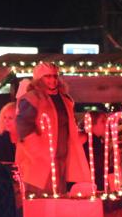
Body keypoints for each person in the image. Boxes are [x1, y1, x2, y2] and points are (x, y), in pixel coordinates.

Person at [15, 62, 90, 195]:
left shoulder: (65, 99)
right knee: (40, 200)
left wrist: (76, 138)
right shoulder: (32, 98)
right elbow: (23, 126)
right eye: (47, 76)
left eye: (55, 76)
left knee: (58, 197)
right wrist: (38, 151)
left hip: (62, 157)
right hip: (39, 161)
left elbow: (67, 124)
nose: (53, 80)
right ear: (39, 79)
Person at [82, 111, 111, 192]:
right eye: (102, 121)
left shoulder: (97, 141)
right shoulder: (91, 143)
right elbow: (98, 167)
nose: (106, 125)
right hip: (94, 186)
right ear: (93, 123)